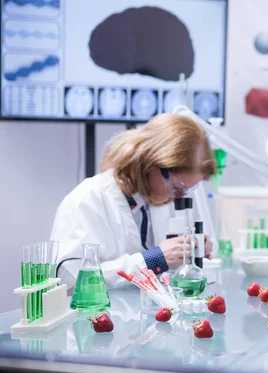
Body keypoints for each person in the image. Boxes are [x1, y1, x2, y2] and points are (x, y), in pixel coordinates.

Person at [51, 113, 215, 289]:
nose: (179, 197)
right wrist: (153, 259)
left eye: (187, 189)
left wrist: (186, 253)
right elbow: (68, 279)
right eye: (177, 187)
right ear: (150, 163)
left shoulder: (155, 199)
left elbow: (163, 268)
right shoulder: (88, 199)